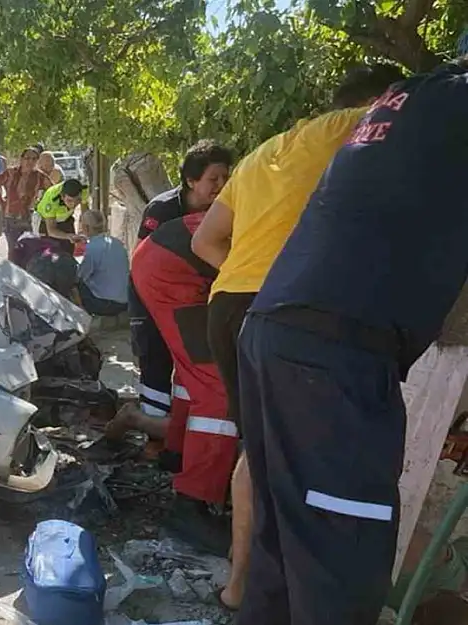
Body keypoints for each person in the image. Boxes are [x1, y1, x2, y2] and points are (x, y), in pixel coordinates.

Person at [233, 54, 468, 625]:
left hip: (279, 330)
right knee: (342, 558)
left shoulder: (417, 94)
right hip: (333, 356)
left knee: (285, 554)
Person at [189, 63, 406, 611]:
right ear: (378, 101)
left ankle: (241, 586)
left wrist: (249, 286)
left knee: (257, 453)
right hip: (287, 311)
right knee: (298, 460)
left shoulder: (267, 151)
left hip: (233, 305)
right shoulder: (358, 126)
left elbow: (207, 243)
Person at [128, 211, 235, 556]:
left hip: (162, 260)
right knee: (219, 389)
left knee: (194, 373)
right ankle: (193, 503)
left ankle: (177, 453)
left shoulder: (273, 178)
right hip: (175, 269)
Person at [128, 140, 233, 426]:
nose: (221, 185)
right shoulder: (161, 210)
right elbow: (140, 261)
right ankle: (150, 434)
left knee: (193, 367)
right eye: (213, 179)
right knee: (156, 364)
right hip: (149, 298)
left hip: (192, 299)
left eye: (226, 178)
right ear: (190, 180)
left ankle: (175, 434)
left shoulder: (221, 212)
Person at [0, 146, 52, 262]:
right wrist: (0, 202)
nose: (30, 162)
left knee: (27, 248)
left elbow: (53, 190)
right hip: (10, 217)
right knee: (13, 249)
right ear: (21, 159)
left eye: (34, 159)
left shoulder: (39, 176)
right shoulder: (11, 173)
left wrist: (42, 205)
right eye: (27, 158)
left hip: (28, 217)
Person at [76, 210, 128, 317]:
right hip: (125, 301)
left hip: (105, 304)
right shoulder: (117, 243)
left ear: (86, 227)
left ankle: (82, 320)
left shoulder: (93, 248)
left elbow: (81, 275)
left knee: (73, 283)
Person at [35, 178, 87, 255]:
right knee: (50, 254)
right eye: (69, 201)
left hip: (65, 219)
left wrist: (84, 232)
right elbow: (51, 230)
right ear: (62, 197)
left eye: (77, 200)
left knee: (68, 251)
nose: (73, 204)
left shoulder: (84, 191)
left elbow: (85, 214)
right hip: (46, 222)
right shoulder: (51, 198)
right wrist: (68, 236)